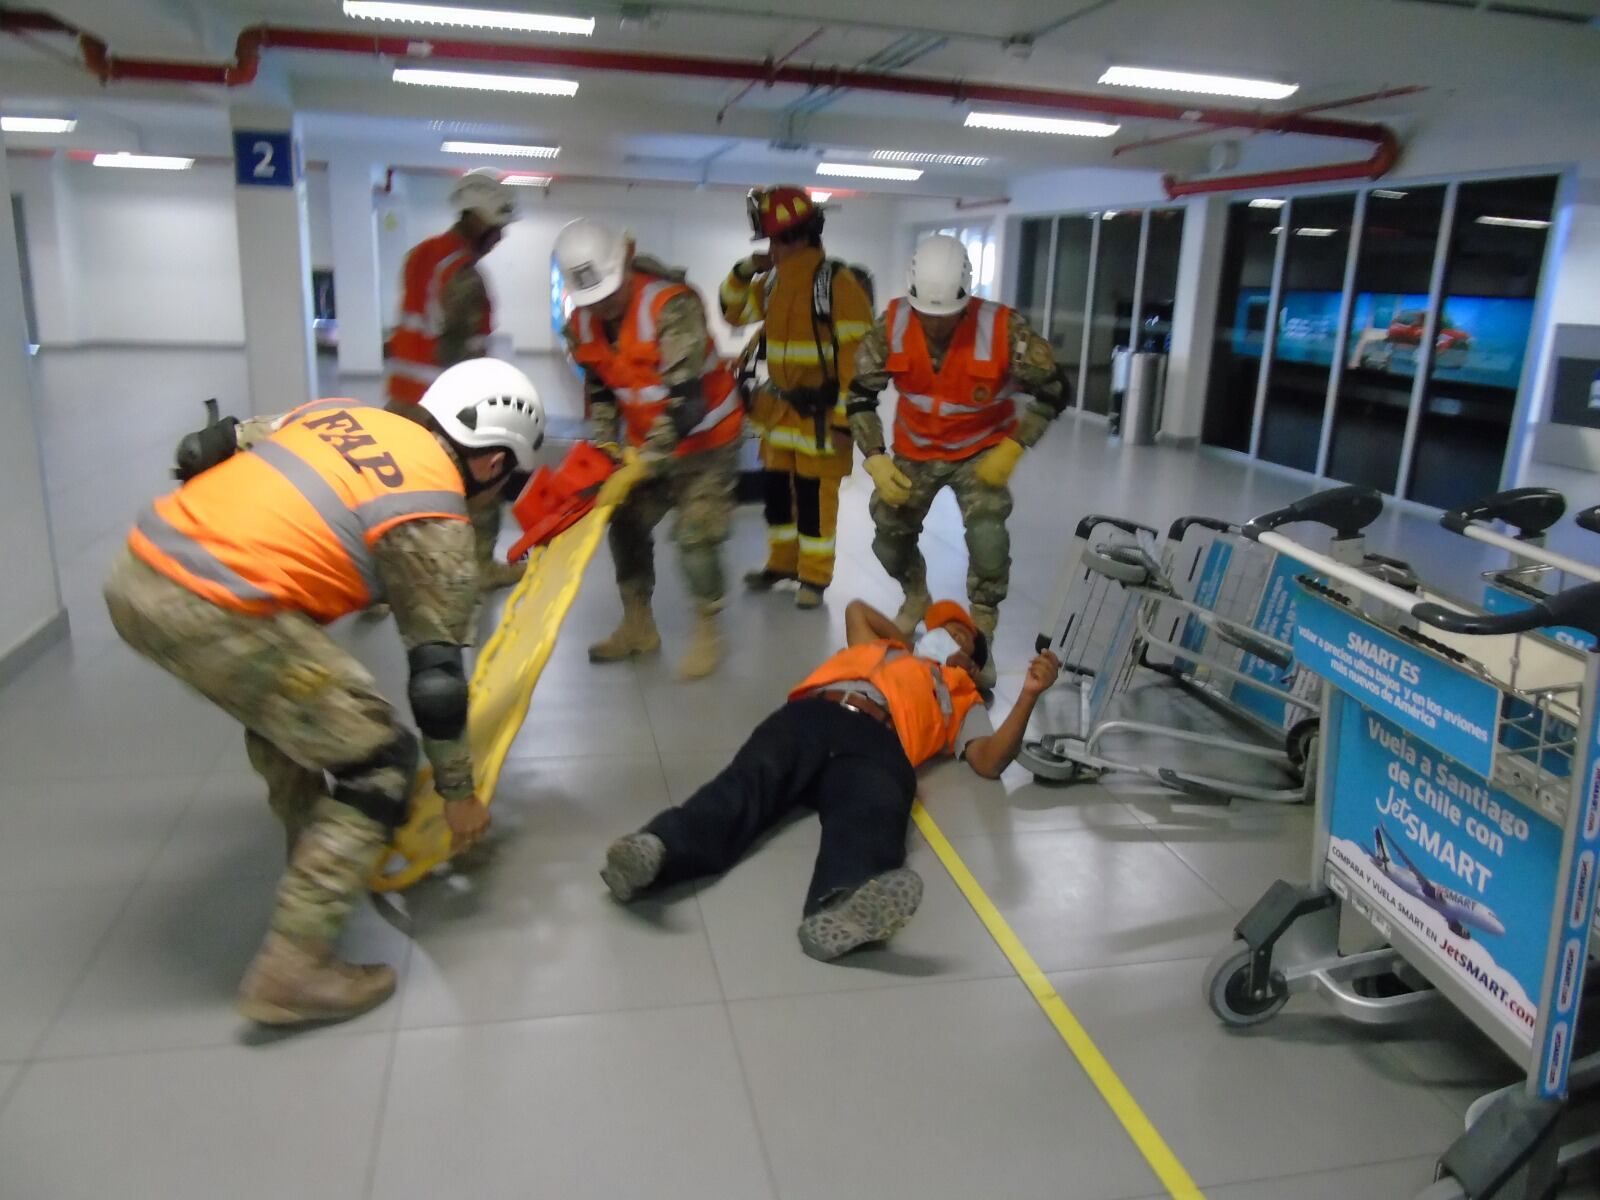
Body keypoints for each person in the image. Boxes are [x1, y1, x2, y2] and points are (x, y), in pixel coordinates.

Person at [104, 360, 546, 1026]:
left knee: (290, 702)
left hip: (139, 567)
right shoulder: (435, 512)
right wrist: (458, 798)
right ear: (489, 465)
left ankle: (316, 856)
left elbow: (208, 447)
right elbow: (436, 684)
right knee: (379, 759)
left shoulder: (340, 414)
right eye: (507, 477)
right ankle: (294, 969)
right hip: (215, 604)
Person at [600, 599, 1062, 960]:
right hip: (813, 712)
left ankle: (841, 906)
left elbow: (988, 761)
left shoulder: (964, 697)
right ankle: (654, 853)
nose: (946, 636)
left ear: (974, 664)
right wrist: (909, 637)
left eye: (960, 635)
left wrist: (1027, 696)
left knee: (876, 809)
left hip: (880, 743)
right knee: (747, 784)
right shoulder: (877, 648)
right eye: (940, 629)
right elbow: (857, 608)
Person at [849, 233, 1068, 688]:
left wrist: (1016, 444)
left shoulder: (1005, 330)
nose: (935, 325)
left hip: (982, 450)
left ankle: (981, 639)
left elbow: (1056, 389)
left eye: (946, 316)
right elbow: (859, 395)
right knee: (889, 539)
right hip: (915, 449)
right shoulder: (889, 325)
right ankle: (915, 596)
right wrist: (874, 458)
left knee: (989, 542)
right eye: (926, 315)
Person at [555, 216, 742, 680]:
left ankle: (707, 628)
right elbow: (600, 386)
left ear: (627, 262)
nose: (602, 308)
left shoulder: (670, 307)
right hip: (647, 445)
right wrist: (604, 445)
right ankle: (639, 625)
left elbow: (687, 403)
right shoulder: (581, 321)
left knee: (695, 538)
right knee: (624, 519)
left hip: (707, 444)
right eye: (591, 300)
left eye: (609, 294)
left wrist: (641, 462)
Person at [720, 185, 874, 609]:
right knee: (776, 496)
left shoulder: (836, 283)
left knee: (813, 499)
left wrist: (845, 421)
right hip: (780, 412)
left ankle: (814, 578)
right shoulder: (771, 283)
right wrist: (744, 269)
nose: (769, 248)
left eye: (773, 239)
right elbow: (732, 311)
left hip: (822, 417)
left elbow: (856, 359)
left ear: (794, 237)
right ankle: (781, 563)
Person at [386, 168, 525, 590]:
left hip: (401, 399)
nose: (500, 238)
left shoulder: (421, 255)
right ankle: (480, 566)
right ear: (477, 220)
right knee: (488, 477)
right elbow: (461, 358)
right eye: (497, 228)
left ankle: (383, 581)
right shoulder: (465, 276)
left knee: (396, 490)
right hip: (439, 405)